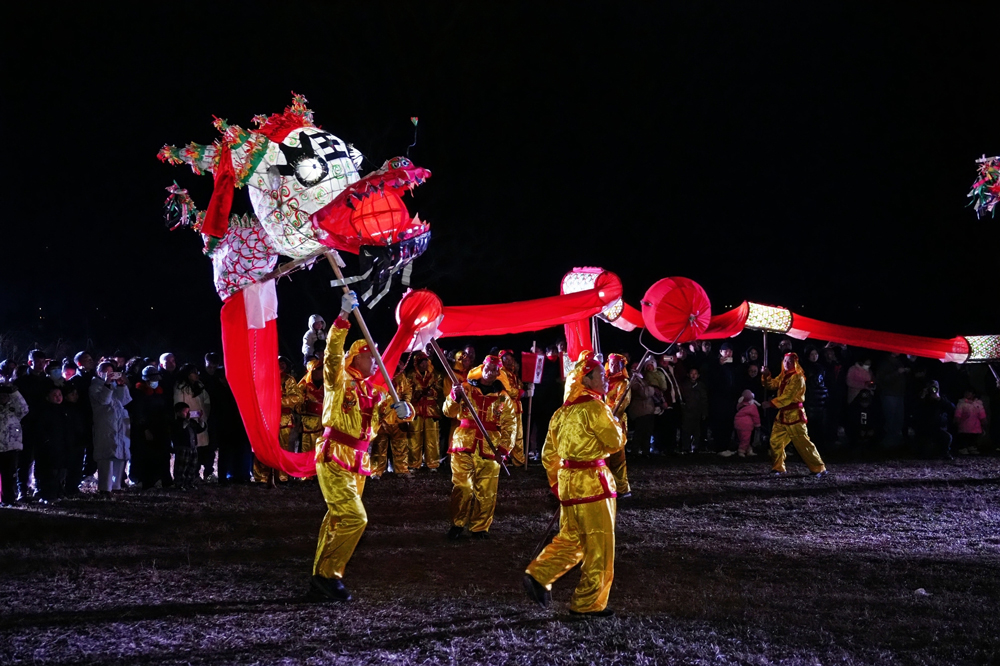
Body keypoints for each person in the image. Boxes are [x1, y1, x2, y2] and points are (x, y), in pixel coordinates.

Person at [310, 291, 414, 602]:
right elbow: (330, 354)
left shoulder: (377, 392)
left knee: (337, 519)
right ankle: (330, 575)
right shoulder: (338, 380)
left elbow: (386, 423)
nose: (377, 361)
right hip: (334, 456)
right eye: (372, 355)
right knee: (356, 518)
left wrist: (403, 412)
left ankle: (319, 577)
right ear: (356, 357)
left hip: (359, 461)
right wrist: (342, 319)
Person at [523, 353, 625, 617]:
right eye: (600, 374)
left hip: (569, 486)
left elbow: (548, 454)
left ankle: (540, 572)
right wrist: (618, 424)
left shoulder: (561, 412)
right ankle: (588, 602)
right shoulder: (595, 408)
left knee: (572, 539)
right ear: (586, 378)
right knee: (599, 546)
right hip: (593, 485)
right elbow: (614, 443)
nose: (605, 378)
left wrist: (558, 484)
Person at [443, 354, 515, 541]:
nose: (491, 372)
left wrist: (504, 448)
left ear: (498, 373)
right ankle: (457, 524)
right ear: (481, 369)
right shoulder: (464, 389)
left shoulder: (503, 398)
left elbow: (510, 424)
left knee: (487, 490)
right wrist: (453, 397)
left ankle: (479, 527)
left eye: (495, 370)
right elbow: (447, 411)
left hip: (491, 448)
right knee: (463, 487)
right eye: (488, 368)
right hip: (463, 444)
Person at [761, 352, 827, 477]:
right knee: (775, 441)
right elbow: (771, 385)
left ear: (795, 363)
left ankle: (818, 467)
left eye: (790, 361)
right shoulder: (783, 376)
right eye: (785, 361)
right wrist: (766, 376)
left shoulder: (798, 378)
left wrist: (771, 403)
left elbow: (789, 396)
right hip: (782, 415)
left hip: (795, 416)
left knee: (803, 443)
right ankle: (778, 467)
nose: (787, 364)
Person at [90, 361, 132, 497]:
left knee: (120, 454)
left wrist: (121, 385)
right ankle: (105, 487)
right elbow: (103, 400)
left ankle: (116, 485)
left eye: (111, 372)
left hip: (119, 423)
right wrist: (107, 384)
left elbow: (124, 400)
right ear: (99, 372)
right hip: (105, 423)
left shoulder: (114, 385)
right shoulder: (95, 386)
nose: (108, 375)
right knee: (106, 455)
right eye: (105, 372)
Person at [14, 349, 51, 500]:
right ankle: (22, 488)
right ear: (30, 363)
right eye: (39, 362)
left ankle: (39, 488)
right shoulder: (21, 382)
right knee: (25, 459)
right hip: (27, 425)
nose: (42, 365)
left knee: (42, 458)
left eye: (44, 362)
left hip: (44, 424)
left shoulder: (48, 381)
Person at [131, 365, 173, 489]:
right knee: (147, 456)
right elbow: (139, 413)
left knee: (162, 455)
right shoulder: (139, 394)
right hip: (147, 430)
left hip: (160, 428)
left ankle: (162, 479)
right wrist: (145, 429)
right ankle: (146, 480)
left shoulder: (159, 392)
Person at [34, 385, 73, 503]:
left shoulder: (64, 410)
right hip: (49, 448)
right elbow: (40, 429)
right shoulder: (44, 411)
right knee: (49, 472)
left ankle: (59, 492)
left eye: (59, 395)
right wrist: (47, 441)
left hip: (62, 446)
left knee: (61, 471)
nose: (58, 398)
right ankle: (47, 494)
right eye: (54, 395)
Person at [405, 350, 443, 473]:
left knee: (432, 438)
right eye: (422, 362)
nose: (425, 365)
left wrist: (433, 392)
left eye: (426, 362)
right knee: (414, 438)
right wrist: (416, 394)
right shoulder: (410, 375)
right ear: (417, 363)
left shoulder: (435, 375)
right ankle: (414, 463)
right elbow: (407, 391)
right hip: (416, 410)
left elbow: (440, 389)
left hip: (431, 410)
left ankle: (433, 463)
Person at [174, 364, 213, 480]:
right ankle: (188, 475)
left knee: (201, 450)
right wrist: (185, 417)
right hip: (187, 422)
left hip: (200, 421)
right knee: (189, 449)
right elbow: (178, 405)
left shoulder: (199, 386)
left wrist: (204, 415)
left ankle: (198, 473)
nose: (196, 375)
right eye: (193, 372)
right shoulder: (180, 387)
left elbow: (206, 401)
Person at [603, 354, 631, 496]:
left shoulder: (623, 383)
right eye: (611, 363)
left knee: (617, 456)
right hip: (602, 421)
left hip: (616, 421)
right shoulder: (604, 379)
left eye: (616, 364)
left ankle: (622, 487)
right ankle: (607, 485)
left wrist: (612, 413)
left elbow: (622, 402)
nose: (613, 366)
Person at [0, 374, 28, 505]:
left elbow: (24, 408)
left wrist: (13, 390)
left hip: (11, 447)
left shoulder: (14, 410)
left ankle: (9, 499)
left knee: (9, 475)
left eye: (6, 395)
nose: (3, 397)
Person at [498, 350, 526, 467]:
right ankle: (504, 458)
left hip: (517, 407)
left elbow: (518, 386)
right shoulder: (501, 373)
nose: (509, 362)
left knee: (518, 435)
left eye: (511, 359)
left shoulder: (513, 373)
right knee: (506, 433)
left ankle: (518, 460)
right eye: (506, 360)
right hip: (506, 406)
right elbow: (507, 390)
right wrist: (520, 392)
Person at [875, 353, 909, 448]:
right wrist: (897, 372)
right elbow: (882, 379)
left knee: (898, 418)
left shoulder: (899, 362)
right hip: (889, 394)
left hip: (899, 394)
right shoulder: (885, 363)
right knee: (890, 417)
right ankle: (888, 440)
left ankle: (895, 439)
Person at [914, 380, 955, 460]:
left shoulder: (942, 397)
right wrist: (922, 396)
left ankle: (945, 452)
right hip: (924, 428)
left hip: (939, 428)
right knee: (926, 450)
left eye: (935, 387)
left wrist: (939, 399)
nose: (932, 390)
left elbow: (952, 408)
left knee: (947, 437)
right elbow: (916, 409)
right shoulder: (923, 397)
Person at [171, 402, 205, 490]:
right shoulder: (176, 423)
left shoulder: (192, 422)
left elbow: (200, 428)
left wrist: (200, 420)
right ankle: (179, 484)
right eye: (185, 412)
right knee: (181, 467)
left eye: (188, 412)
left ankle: (189, 482)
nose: (187, 414)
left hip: (193, 447)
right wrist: (186, 421)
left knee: (192, 466)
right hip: (182, 447)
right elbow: (179, 430)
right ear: (178, 413)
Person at [298, 359, 325, 456]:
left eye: (323, 368)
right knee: (307, 450)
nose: (321, 371)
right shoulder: (304, 385)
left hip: (324, 424)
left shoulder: (327, 385)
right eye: (318, 369)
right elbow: (296, 401)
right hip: (308, 425)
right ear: (311, 371)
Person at [679, 368, 708, 453]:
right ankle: (685, 447)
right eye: (692, 373)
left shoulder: (701, 386)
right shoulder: (684, 385)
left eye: (695, 373)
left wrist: (704, 412)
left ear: (698, 375)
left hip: (697, 411)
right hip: (687, 411)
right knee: (686, 430)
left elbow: (704, 400)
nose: (693, 375)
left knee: (696, 431)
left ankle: (695, 447)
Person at [953, 389, 987, 455]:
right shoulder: (962, 403)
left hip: (976, 426)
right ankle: (963, 448)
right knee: (964, 437)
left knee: (973, 437)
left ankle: (972, 447)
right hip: (964, 425)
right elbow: (958, 413)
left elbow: (982, 414)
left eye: (969, 393)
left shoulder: (978, 404)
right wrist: (957, 420)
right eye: (966, 393)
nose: (967, 394)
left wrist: (984, 420)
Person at [733, 389, 761, 457]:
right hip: (747, 425)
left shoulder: (740, 405)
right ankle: (741, 451)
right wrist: (757, 424)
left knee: (742, 438)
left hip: (738, 424)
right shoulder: (752, 406)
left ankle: (749, 450)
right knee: (746, 439)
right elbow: (756, 416)